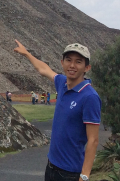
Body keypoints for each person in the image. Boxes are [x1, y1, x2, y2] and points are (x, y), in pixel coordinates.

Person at [14, 40, 100, 181]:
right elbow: (44, 70)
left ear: (87, 67)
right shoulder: (62, 83)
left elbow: (93, 140)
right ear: (62, 63)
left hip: (70, 173)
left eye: (78, 61)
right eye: (68, 60)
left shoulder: (90, 97)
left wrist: (84, 176)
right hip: (51, 166)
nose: (72, 65)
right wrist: (27, 54)